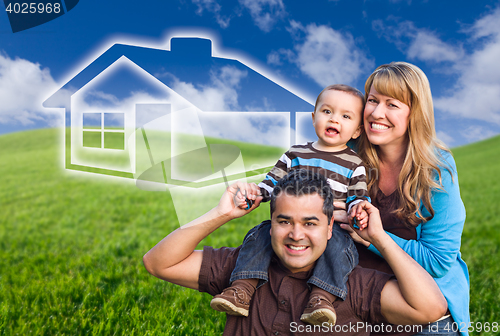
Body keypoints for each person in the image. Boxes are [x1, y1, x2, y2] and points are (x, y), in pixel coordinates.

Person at [143, 169, 448, 335]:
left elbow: (429, 309)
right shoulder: (242, 270)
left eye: (310, 223)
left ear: (330, 228)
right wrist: (221, 214)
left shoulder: (351, 284)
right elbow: (158, 263)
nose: (296, 234)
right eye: (284, 221)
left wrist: (379, 239)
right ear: (270, 224)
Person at [211, 84, 371, 326]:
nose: (334, 119)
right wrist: (255, 194)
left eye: (345, 116)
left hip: (330, 228)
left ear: (357, 130)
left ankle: (322, 298)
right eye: (327, 111)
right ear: (314, 116)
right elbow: (271, 182)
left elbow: (358, 197)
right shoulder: (295, 154)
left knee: (340, 248)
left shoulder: (354, 163)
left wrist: (357, 210)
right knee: (260, 234)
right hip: (288, 223)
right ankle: (242, 288)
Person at [338, 62, 469, 336]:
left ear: (415, 114)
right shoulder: (346, 153)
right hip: (358, 295)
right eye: (372, 100)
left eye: (392, 105)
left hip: (424, 304)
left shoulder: (436, 168)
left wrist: (373, 238)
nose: (376, 113)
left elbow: (437, 261)